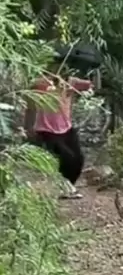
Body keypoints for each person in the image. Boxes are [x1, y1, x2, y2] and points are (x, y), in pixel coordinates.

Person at [25, 67, 93, 199]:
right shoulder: (41, 83)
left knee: (79, 159)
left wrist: (94, 76)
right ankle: (65, 188)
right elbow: (30, 102)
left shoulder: (71, 82)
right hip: (47, 129)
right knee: (67, 158)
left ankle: (68, 187)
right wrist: (28, 127)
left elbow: (91, 85)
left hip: (66, 128)